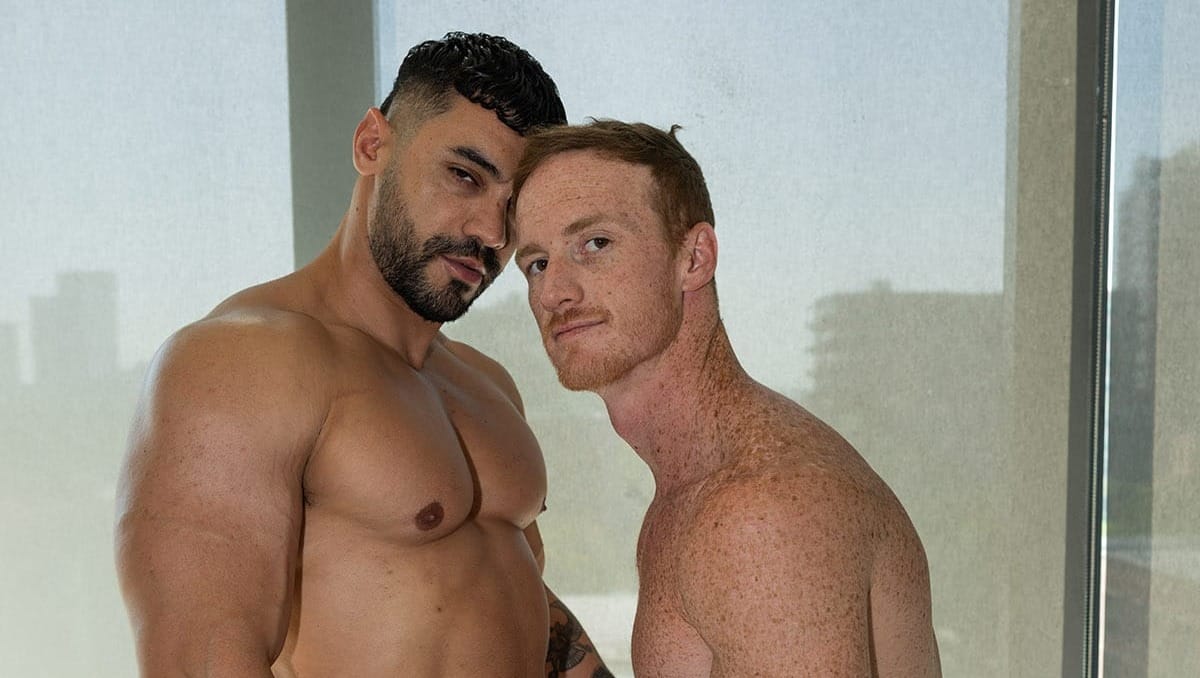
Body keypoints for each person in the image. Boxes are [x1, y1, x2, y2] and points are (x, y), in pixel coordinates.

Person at [116, 33, 611, 678]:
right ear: (372, 144)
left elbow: (506, 597)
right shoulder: (239, 363)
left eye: (513, 206)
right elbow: (202, 659)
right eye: (465, 176)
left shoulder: (487, 383)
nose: (492, 233)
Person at [508, 120, 942, 677]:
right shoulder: (700, 488)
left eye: (595, 244)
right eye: (537, 263)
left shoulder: (758, 514)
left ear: (695, 258)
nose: (553, 291)